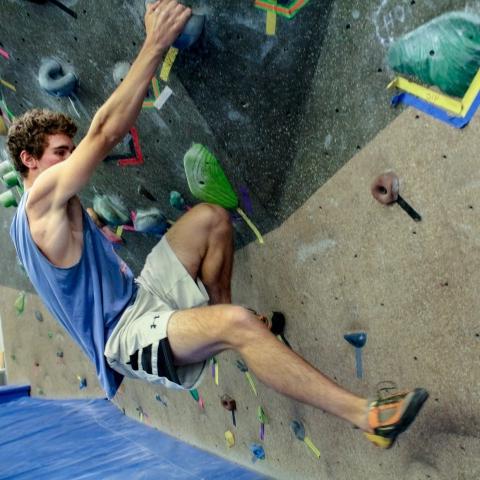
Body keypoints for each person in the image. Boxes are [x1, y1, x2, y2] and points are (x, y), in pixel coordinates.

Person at [7, 0, 428, 449]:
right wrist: (155, 42)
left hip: (142, 295)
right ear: (29, 161)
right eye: (59, 154)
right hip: (124, 336)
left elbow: (67, 264)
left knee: (211, 219)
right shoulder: (39, 199)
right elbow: (105, 132)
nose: (70, 160)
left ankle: (218, 325)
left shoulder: (34, 219)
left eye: (69, 151)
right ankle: (368, 418)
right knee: (238, 325)